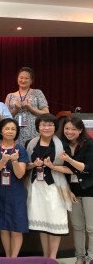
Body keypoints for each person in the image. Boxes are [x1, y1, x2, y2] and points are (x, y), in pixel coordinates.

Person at [26, 113, 73, 259]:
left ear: (55, 127)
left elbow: (71, 169)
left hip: (55, 188)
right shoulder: (30, 143)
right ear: (38, 127)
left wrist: (53, 167)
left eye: (50, 125)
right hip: (36, 188)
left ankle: (52, 258)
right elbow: (25, 167)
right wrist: (34, 164)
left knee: (55, 222)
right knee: (43, 224)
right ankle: (45, 257)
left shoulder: (63, 145)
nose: (46, 127)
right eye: (43, 124)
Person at [0, 118, 29, 257]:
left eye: (13, 129)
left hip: (16, 192)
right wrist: (3, 160)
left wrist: (14, 160)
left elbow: (20, 174)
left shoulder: (20, 148)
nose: (10, 131)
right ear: (1, 130)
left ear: (17, 132)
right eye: (7, 128)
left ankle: (13, 259)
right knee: (3, 227)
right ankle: (8, 258)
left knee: (16, 228)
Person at [59, 117, 93, 264]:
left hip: (90, 189)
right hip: (73, 191)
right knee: (77, 227)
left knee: (91, 227)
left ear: (80, 130)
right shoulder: (62, 145)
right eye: (67, 128)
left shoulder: (89, 144)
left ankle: (91, 257)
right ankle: (79, 257)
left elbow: (87, 168)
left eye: (73, 129)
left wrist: (69, 160)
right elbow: (63, 172)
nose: (69, 132)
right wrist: (68, 189)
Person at [5, 67, 49, 146]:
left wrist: (30, 108)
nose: (23, 80)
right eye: (21, 78)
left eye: (26, 78)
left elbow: (46, 113)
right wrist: (15, 109)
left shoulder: (37, 93)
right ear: (17, 79)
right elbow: (6, 118)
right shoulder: (10, 96)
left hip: (33, 131)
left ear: (31, 81)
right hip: (15, 131)